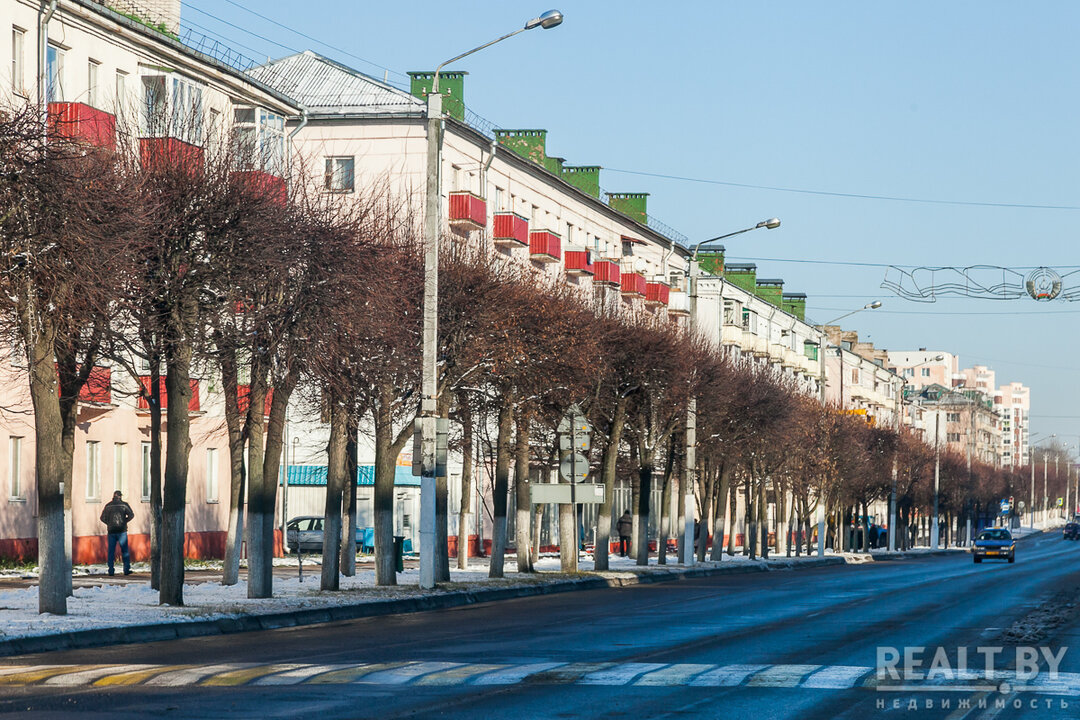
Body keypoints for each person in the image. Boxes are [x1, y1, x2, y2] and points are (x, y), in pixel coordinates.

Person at [100, 490, 134, 576]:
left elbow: (102, 518)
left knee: (111, 551)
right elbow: (131, 515)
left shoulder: (108, 506)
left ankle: (111, 570)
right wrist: (125, 521)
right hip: (122, 531)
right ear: (120, 496)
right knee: (125, 550)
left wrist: (109, 523)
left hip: (111, 531)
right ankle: (126, 569)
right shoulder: (124, 505)